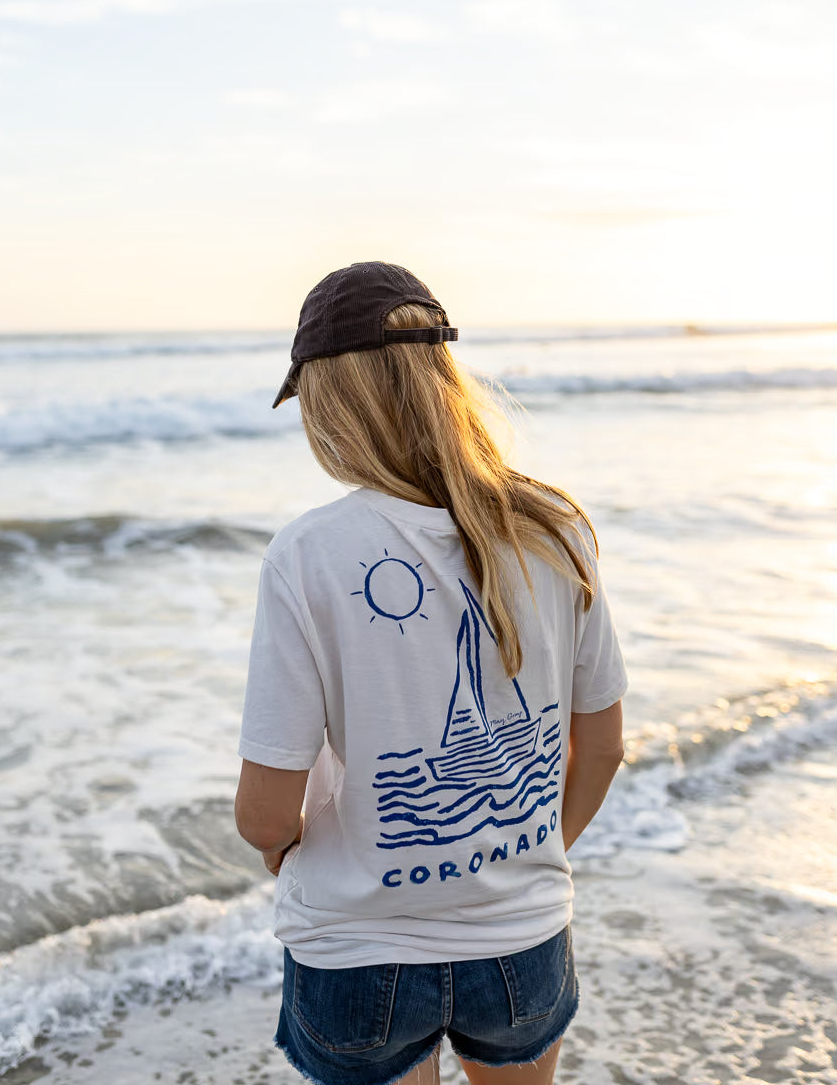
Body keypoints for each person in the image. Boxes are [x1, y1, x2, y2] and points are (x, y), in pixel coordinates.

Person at [235, 262, 627, 1085]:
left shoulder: (309, 554)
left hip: (358, 954)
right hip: (521, 939)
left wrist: (287, 855)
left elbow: (265, 813)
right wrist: (521, 855)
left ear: (330, 402)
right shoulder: (554, 529)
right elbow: (602, 747)